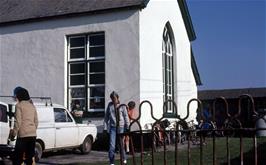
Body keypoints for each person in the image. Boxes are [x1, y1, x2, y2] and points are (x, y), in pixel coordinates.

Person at [9, 87, 38, 165]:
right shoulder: (32, 106)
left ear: (19, 96)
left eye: (16, 95)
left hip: (23, 135)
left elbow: (18, 122)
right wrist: (32, 130)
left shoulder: (19, 106)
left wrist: (13, 135)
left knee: (17, 158)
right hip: (32, 135)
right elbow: (36, 121)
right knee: (29, 158)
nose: (15, 97)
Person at [103, 91, 130, 165]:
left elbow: (126, 116)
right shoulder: (110, 105)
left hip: (121, 127)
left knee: (121, 144)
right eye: (112, 99)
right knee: (112, 146)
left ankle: (124, 158)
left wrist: (128, 127)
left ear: (117, 98)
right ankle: (111, 162)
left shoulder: (122, 106)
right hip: (112, 127)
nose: (113, 100)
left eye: (114, 99)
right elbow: (106, 117)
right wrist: (105, 128)